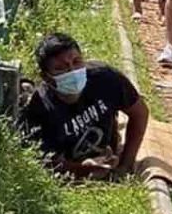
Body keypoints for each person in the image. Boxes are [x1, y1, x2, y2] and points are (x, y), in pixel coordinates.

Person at [20, 33, 150, 180]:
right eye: (60, 68)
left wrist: (125, 165)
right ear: (46, 77)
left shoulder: (105, 78)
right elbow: (46, 161)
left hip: (108, 153)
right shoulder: (40, 108)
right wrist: (82, 170)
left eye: (76, 62)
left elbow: (140, 112)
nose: (72, 72)